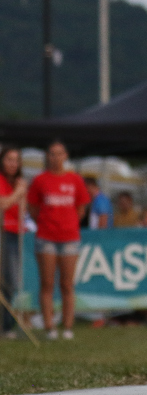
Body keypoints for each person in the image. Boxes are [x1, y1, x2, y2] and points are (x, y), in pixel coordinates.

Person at [26, 141, 90, 339]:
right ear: (47, 156)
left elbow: (81, 208)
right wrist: (46, 223)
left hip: (69, 237)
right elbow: (33, 208)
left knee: (67, 284)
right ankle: (49, 327)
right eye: (52, 154)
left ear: (65, 156)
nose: (55, 157)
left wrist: (68, 223)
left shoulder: (75, 180)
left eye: (59, 153)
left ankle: (68, 327)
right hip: (46, 237)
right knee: (47, 283)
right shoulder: (40, 180)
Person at [0, 147, 27, 339]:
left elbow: (22, 210)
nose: (12, 164)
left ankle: (7, 324)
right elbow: (3, 204)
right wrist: (19, 192)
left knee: (13, 282)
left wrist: (20, 193)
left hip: (16, 233)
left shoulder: (18, 183)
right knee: (7, 281)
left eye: (16, 160)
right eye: (9, 159)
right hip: (3, 232)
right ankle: (5, 325)